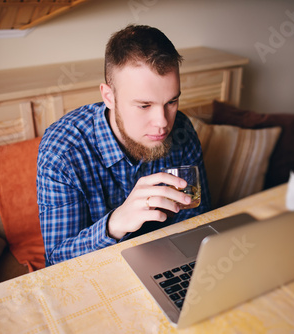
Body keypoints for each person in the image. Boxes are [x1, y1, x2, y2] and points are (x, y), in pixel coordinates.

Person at [37, 25, 211, 266]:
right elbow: (56, 260)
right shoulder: (62, 152)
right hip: (99, 273)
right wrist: (113, 225)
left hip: (169, 264)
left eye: (171, 101)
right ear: (109, 97)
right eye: (144, 105)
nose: (163, 123)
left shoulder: (181, 129)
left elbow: (198, 218)